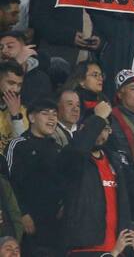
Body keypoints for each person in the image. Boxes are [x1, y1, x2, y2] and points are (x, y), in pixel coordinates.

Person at [57, 100, 133, 254]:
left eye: (105, 128)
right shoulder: (72, 156)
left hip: (117, 248)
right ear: (83, 129)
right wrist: (97, 118)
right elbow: (78, 152)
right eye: (96, 127)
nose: (100, 133)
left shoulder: (115, 161)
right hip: (84, 248)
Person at [6, 97, 60, 255]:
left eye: (55, 114)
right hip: (28, 225)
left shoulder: (57, 148)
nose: (52, 118)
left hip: (54, 226)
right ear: (31, 117)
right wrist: (22, 213)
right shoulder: (18, 145)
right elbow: (10, 183)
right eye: (45, 113)